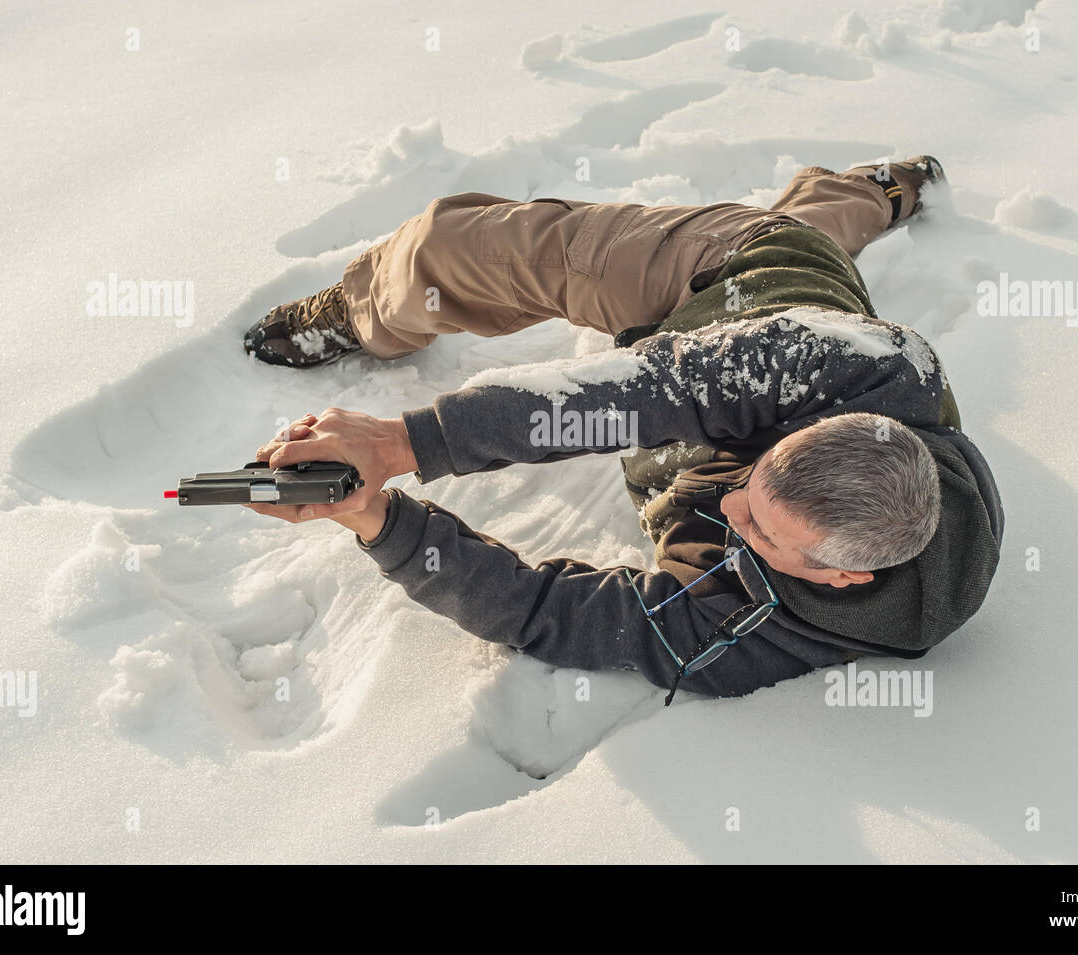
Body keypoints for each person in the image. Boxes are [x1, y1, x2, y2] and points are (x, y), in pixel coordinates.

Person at [241, 158, 1004, 704]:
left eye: (762, 531)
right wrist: (403, 443)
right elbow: (641, 392)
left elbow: (544, 611)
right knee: (455, 247)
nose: (732, 508)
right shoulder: (869, 367)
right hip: (726, 276)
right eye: (756, 477)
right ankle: (363, 308)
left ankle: (854, 194)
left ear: (844, 578)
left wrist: (378, 520)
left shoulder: (746, 638)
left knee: (816, 235)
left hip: (771, 321)